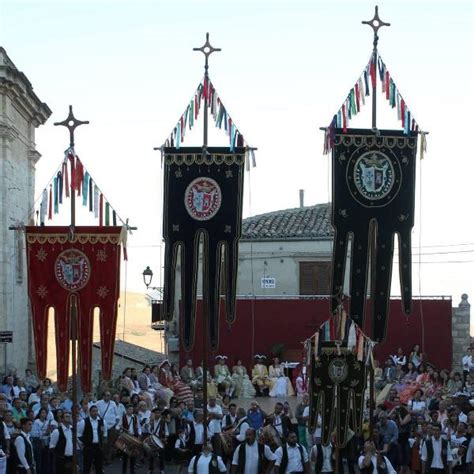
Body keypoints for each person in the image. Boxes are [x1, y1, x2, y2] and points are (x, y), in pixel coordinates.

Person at [77, 404, 106, 474]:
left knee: (99, 466)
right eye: (93, 411)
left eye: (96, 411)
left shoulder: (102, 421)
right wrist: (83, 444)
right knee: (87, 466)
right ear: (90, 412)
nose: (95, 413)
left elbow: (104, 433)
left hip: (98, 447)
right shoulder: (84, 421)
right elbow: (79, 434)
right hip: (89, 447)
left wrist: (103, 443)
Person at [116, 404, 142, 474]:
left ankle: (132, 471)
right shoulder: (123, 417)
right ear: (126, 410)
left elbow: (139, 427)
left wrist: (139, 434)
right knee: (125, 456)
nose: (131, 411)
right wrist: (120, 428)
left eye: (132, 409)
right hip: (126, 438)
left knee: (133, 456)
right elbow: (117, 427)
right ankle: (124, 472)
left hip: (133, 437)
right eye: (129, 409)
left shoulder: (135, 417)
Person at [96, 390, 118, 465]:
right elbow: (93, 410)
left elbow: (116, 414)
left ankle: (108, 459)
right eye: (107, 395)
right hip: (103, 426)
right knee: (103, 442)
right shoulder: (98, 403)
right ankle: (102, 458)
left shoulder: (113, 403)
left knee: (110, 443)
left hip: (112, 426)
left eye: (109, 395)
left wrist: (116, 423)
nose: (108, 397)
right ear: (103, 396)